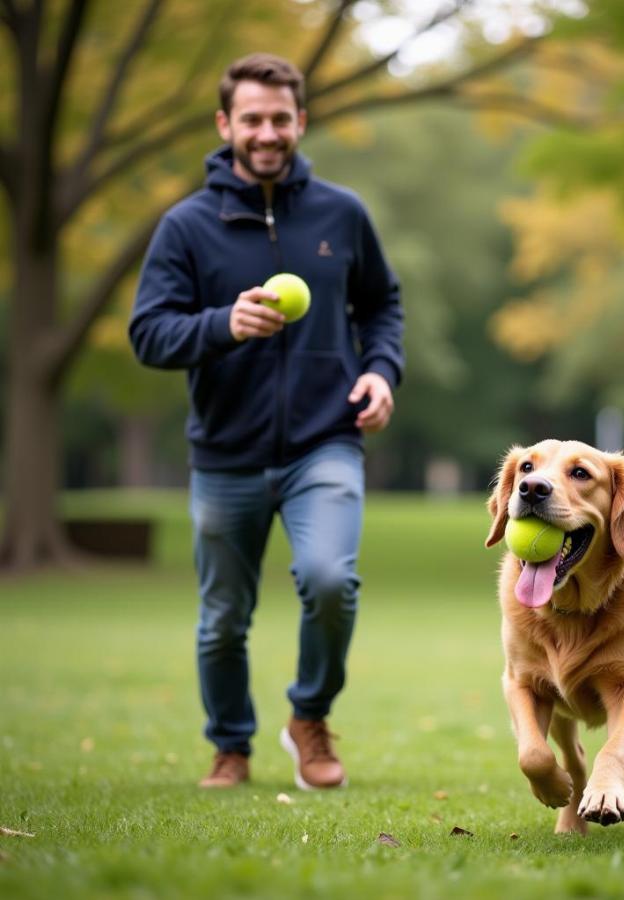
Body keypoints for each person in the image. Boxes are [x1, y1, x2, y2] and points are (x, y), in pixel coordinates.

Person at [129, 53, 403, 790]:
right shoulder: (186, 226)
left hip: (326, 440)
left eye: (280, 118)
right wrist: (223, 325)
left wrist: (381, 370)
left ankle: (308, 716)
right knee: (223, 618)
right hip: (226, 453)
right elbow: (148, 333)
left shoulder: (341, 214)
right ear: (226, 125)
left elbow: (381, 304)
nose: (267, 132)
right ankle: (230, 746)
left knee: (329, 579)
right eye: (251, 118)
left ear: (300, 122)